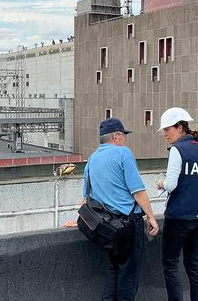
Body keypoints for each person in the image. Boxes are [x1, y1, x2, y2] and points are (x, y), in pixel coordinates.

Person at [83, 117, 159, 301]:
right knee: (128, 275)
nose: (126, 139)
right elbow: (138, 191)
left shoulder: (92, 158)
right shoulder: (123, 153)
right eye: (124, 135)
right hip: (128, 224)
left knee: (114, 271)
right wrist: (151, 217)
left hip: (106, 227)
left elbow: (86, 196)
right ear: (116, 137)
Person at [155, 107, 198, 301]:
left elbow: (171, 184)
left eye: (168, 129)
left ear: (180, 127)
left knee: (171, 265)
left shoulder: (177, 150)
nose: (166, 134)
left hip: (178, 217)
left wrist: (161, 183)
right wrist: (195, 184)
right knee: (193, 264)